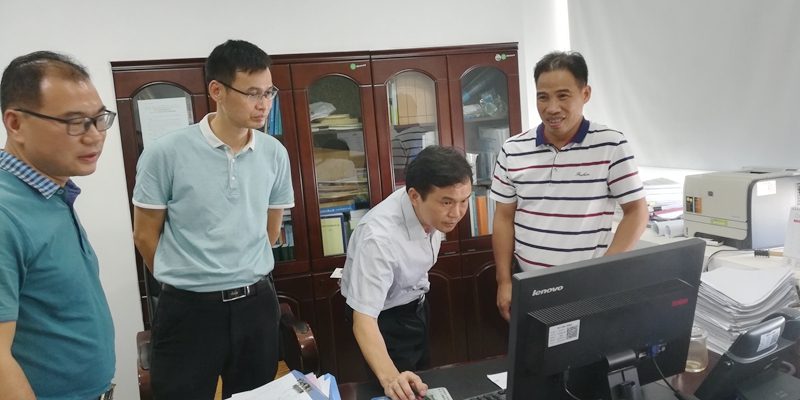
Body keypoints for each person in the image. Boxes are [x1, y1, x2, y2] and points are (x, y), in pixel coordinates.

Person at [132, 40, 293, 399]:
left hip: (256, 305)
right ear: (217, 90)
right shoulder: (165, 152)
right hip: (189, 310)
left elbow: (271, 230)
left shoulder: (274, 153)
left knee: (255, 395)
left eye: (269, 92)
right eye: (252, 93)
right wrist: (190, 279)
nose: (264, 104)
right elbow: (144, 235)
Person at [491, 51, 649, 321]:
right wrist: (504, 281)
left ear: (585, 94)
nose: (552, 108)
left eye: (563, 96)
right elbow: (504, 217)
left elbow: (636, 212)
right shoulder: (513, 149)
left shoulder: (611, 145)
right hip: (529, 284)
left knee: (589, 346)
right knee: (532, 347)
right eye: (543, 97)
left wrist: (604, 271)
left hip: (587, 286)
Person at [0, 51, 116, 399]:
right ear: (15, 124)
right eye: (75, 122)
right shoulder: (6, 212)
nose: (95, 136)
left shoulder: (52, 191)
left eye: (99, 119)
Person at [341, 146, 473, 400]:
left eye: (464, 201)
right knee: (399, 391)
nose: (457, 213)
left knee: (422, 385)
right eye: (447, 202)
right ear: (414, 196)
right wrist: (391, 378)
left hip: (416, 307)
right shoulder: (379, 238)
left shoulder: (430, 211)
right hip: (383, 321)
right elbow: (364, 319)